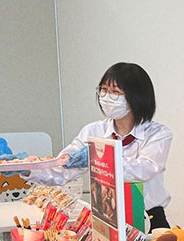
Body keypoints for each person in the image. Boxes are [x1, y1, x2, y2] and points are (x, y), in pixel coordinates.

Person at [34, 62, 174, 231]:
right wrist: (27, 168)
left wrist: (98, 158)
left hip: (148, 219)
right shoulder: (93, 131)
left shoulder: (158, 134)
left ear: (136, 97)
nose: (107, 97)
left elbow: (144, 169)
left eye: (116, 92)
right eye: (104, 90)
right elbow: (63, 169)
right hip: (107, 218)